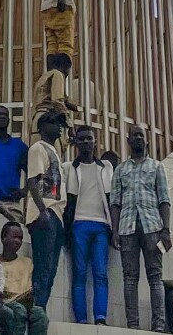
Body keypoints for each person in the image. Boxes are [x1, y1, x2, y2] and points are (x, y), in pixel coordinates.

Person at [111, 124, 171, 332]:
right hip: (127, 228)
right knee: (129, 277)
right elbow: (115, 203)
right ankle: (133, 325)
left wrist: (166, 230)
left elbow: (164, 200)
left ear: (146, 140)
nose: (137, 138)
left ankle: (158, 326)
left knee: (155, 276)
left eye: (141, 135)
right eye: (133, 135)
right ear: (128, 141)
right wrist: (115, 230)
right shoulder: (120, 169)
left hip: (153, 227)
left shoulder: (157, 167)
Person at [64, 124, 114, 324]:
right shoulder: (69, 167)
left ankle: (100, 317)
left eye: (89, 138)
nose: (86, 142)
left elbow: (114, 198)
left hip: (102, 225)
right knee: (79, 274)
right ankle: (81, 319)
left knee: (100, 273)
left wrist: (115, 229)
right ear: (76, 142)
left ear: (95, 141)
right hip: (78, 225)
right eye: (82, 138)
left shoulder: (106, 167)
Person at [37, 0, 90, 116]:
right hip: (62, 5)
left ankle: (51, 92)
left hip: (47, 6)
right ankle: (60, 96)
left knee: (53, 49)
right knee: (66, 49)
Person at [23, 108, 67, 309]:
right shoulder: (38, 148)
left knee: (52, 269)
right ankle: (37, 310)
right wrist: (42, 211)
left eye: (59, 124)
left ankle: (41, 308)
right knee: (43, 266)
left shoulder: (55, 152)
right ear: (41, 127)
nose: (58, 127)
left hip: (57, 214)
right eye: (53, 123)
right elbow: (32, 181)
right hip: (46, 212)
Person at [0, 222, 47, 335]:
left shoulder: (27, 263)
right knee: (18, 310)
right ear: (4, 237)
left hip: (24, 304)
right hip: (3, 304)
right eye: (15, 237)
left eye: (20, 238)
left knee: (39, 314)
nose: (18, 241)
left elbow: (28, 289)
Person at [0, 105, 29, 220]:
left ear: (9, 120)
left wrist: (24, 191)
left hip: (11, 204)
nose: (2, 117)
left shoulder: (19, 146)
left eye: (5, 115)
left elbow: (35, 173)